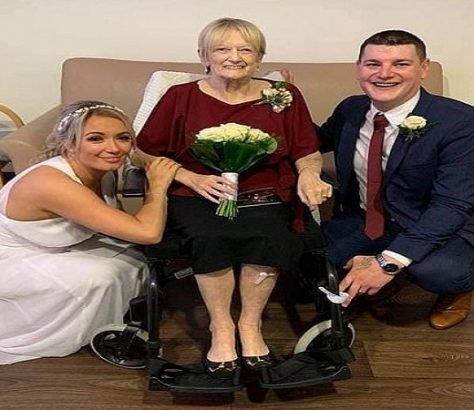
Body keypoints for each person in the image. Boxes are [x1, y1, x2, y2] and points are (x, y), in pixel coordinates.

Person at [136, 17, 332, 379]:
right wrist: (189, 177)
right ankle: (222, 327)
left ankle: (250, 325)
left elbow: (307, 150)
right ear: (204, 56)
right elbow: (143, 152)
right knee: (210, 235)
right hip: (198, 190)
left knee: (269, 234)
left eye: (246, 49)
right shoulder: (180, 97)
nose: (235, 57)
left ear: (259, 58)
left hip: (266, 191)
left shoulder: (284, 95)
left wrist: (309, 173)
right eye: (222, 49)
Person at [0, 100, 180, 365]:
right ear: (69, 144)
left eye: (122, 138)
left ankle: (112, 322)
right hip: (13, 259)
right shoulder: (52, 183)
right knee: (101, 275)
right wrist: (158, 188)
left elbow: (124, 228)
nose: (113, 148)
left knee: (133, 259)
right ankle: (76, 333)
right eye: (96, 138)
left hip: (54, 248)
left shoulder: (103, 170)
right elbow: (148, 233)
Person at [318, 30, 474, 330]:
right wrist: (280, 104)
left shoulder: (461, 122)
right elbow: (312, 141)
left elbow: (452, 205)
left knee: (438, 272)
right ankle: (389, 266)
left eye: (401, 64)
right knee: (312, 256)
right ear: (359, 68)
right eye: (373, 64)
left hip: (439, 224)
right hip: (370, 220)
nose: (385, 74)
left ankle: (457, 290)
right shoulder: (351, 108)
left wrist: (387, 263)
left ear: (424, 68)